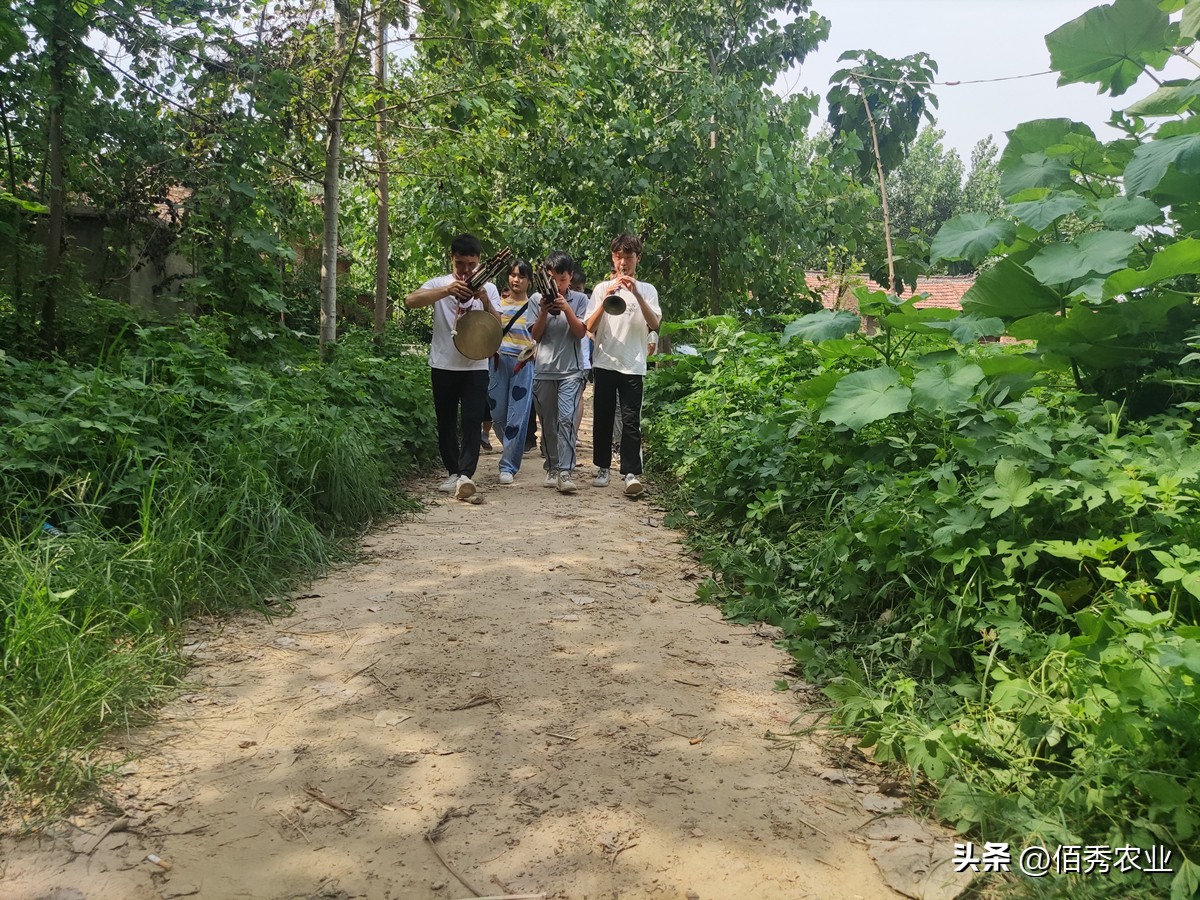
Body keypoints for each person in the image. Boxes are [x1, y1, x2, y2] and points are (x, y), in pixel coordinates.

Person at [403, 233, 502, 501]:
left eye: (471, 265)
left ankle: (466, 475)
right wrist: (446, 291)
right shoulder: (440, 284)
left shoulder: (489, 288)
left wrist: (483, 298)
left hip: (476, 365)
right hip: (444, 363)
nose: (466, 271)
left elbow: (499, 325)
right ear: (452, 259)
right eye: (461, 264)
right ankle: (453, 471)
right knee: (446, 419)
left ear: (479, 261)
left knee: (471, 420)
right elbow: (410, 301)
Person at [586, 233, 661, 497]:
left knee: (631, 421)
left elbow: (655, 323)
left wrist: (636, 294)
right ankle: (603, 468)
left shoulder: (648, 290)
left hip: (634, 364)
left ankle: (630, 473)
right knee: (603, 418)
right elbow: (588, 327)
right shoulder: (599, 289)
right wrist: (607, 295)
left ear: (637, 258)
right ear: (613, 258)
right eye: (618, 257)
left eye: (628, 257)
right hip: (605, 361)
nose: (623, 263)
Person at [530, 250, 588, 494]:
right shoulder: (535, 299)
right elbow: (535, 335)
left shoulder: (581, 300)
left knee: (567, 420)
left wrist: (566, 309)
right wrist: (544, 310)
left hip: (571, 372)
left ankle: (566, 471)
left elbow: (581, 332)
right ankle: (552, 467)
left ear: (570, 277)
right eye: (553, 279)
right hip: (544, 370)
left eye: (562, 280)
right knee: (548, 423)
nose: (558, 285)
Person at [488, 260, 538, 484]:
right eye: (513, 275)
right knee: (497, 415)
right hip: (497, 363)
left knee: (517, 417)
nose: (516, 280)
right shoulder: (497, 304)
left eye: (521, 276)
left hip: (523, 365)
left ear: (529, 281)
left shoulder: (534, 306)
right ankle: (510, 447)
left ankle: (508, 466)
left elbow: (541, 334)